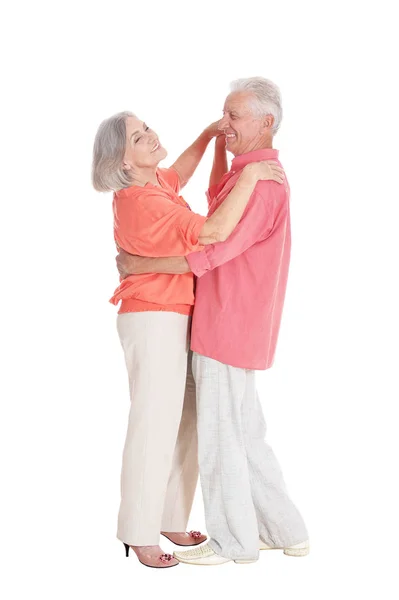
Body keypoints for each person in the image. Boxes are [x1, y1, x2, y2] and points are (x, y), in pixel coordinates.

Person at [116, 77, 309, 566]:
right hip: (187, 320)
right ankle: (278, 530)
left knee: (221, 437)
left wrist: (140, 265)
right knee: (223, 433)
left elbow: (214, 243)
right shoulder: (239, 177)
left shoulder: (260, 182)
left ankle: (235, 542)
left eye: (234, 116)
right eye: (223, 114)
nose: (226, 124)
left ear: (266, 124)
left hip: (221, 323)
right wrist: (220, 144)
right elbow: (212, 196)